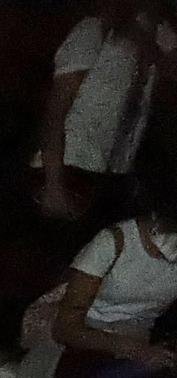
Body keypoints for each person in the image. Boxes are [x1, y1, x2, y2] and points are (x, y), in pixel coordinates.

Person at [0, 176, 177, 378]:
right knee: (60, 358)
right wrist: (133, 350)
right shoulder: (114, 242)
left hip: (132, 331)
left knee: (145, 374)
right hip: (73, 323)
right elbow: (67, 326)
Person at [38, 0, 175, 223]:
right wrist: (53, 182)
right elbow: (55, 113)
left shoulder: (157, 44)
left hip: (113, 175)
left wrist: (153, 44)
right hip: (71, 167)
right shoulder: (93, 31)